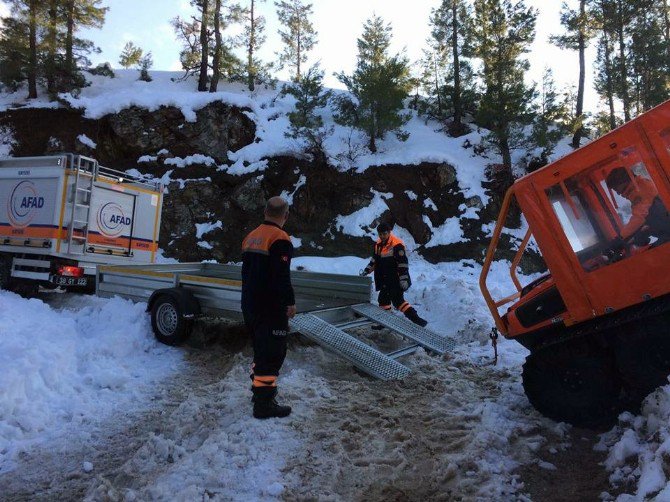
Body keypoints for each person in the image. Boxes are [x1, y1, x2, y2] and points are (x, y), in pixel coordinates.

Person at [241, 196, 296, 419]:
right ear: (286, 216)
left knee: (260, 350)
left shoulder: (251, 237)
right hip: (270, 307)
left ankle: (259, 392)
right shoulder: (280, 238)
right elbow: (281, 276)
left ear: (265, 211)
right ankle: (264, 405)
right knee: (272, 353)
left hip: (250, 304)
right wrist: (289, 302)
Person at [360, 222, 428, 327]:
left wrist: (404, 279)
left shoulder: (397, 245)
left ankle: (418, 321)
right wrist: (366, 270)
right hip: (384, 279)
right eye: (380, 234)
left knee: (398, 302)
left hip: (395, 279)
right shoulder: (378, 245)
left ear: (389, 233)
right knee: (383, 300)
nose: (382, 236)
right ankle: (384, 322)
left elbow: (403, 264)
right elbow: (374, 261)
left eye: (384, 234)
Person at [606, 167, 670, 246]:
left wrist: (620, 238)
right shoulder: (639, 187)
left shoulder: (640, 190)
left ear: (622, 182)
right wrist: (641, 234)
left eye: (616, 189)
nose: (618, 193)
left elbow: (639, 217)